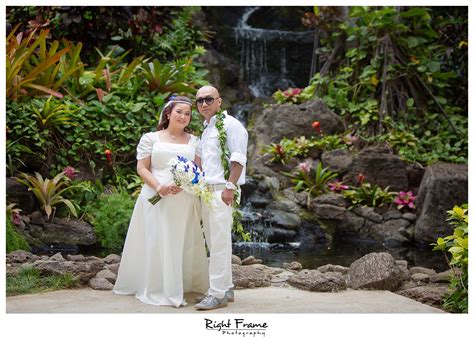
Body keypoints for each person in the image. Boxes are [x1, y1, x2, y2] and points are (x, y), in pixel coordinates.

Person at [113, 96, 209, 307]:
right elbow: (142, 168)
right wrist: (159, 187)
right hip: (155, 198)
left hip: (183, 199)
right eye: (179, 112)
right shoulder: (151, 138)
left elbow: (199, 170)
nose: (184, 116)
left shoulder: (195, 141)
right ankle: (157, 287)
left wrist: (187, 184)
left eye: (187, 114)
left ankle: (180, 285)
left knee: (179, 240)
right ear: (168, 114)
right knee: (156, 240)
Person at [194, 86, 248, 310]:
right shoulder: (207, 129)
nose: (204, 104)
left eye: (208, 99)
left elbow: (238, 158)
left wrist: (229, 187)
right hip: (207, 191)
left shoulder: (231, 125)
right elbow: (200, 162)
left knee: (218, 244)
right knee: (216, 242)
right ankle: (225, 288)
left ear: (219, 101)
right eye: (199, 101)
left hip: (221, 191)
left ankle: (216, 293)